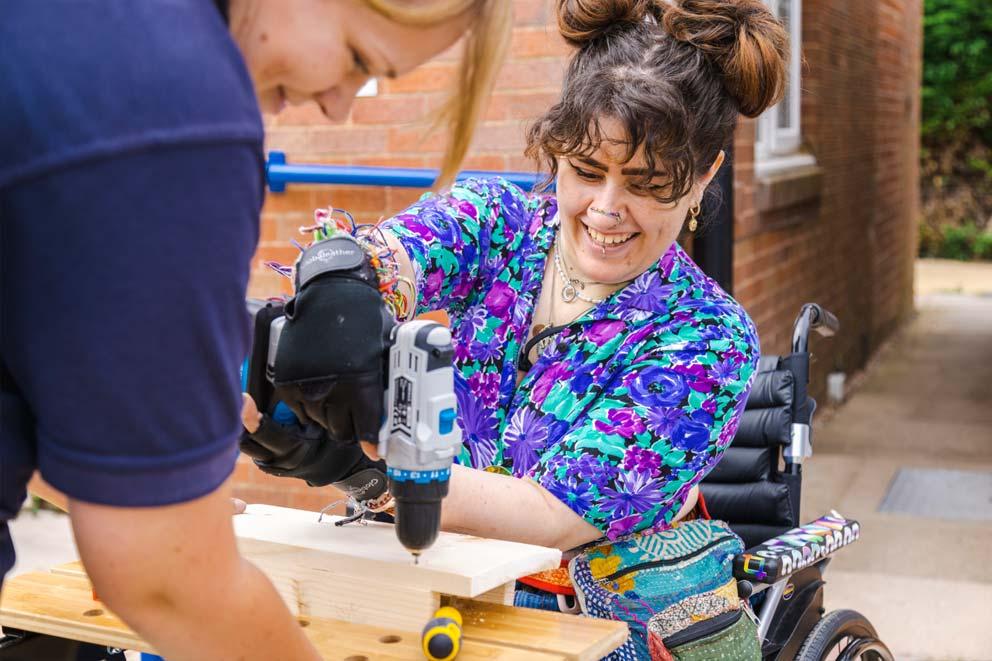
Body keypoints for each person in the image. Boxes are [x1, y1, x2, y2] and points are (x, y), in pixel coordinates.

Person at [241, 0, 787, 654]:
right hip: (452, 584)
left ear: (702, 178)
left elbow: (551, 517)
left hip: (599, 623)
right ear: (557, 149)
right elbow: (401, 253)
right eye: (586, 170)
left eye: (647, 184)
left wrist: (373, 469)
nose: (607, 209)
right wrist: (343, 284)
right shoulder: (501, 225)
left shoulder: (709, 340)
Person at [0, 1, 510, 659]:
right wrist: (169, 516)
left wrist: (144, 454)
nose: (337, 107)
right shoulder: (179, 103)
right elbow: (163, 580)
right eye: (358, 58)